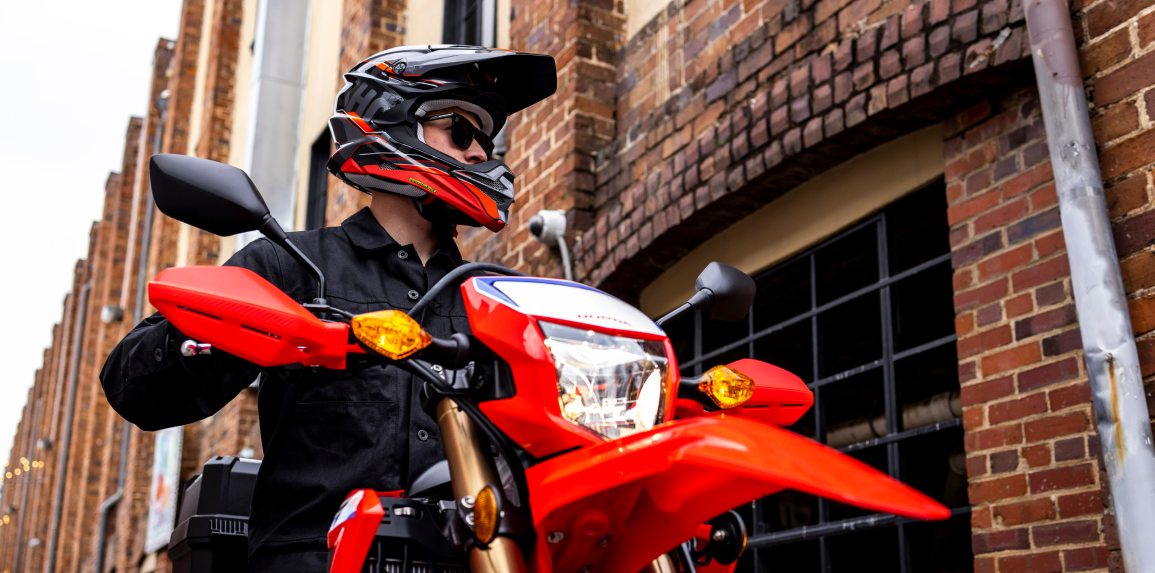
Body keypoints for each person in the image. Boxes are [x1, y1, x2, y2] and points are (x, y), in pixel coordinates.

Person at [100, 45, 556, 573]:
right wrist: (225, 330)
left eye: (486, 139)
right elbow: (130, 385)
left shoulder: (498, 295)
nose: (481, 153)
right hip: (315, 559)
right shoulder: (291, 265)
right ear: (394, 120)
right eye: (461, 130)